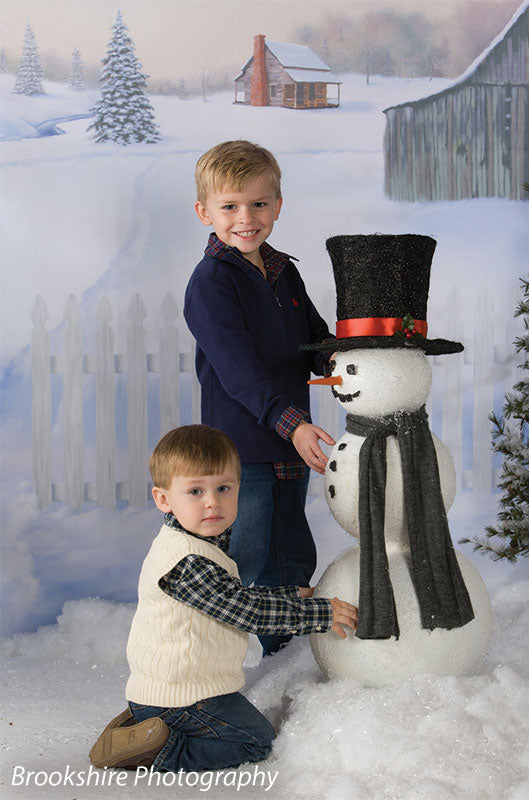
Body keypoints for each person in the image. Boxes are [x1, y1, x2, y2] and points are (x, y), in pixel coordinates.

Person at [89, 425, 358, 772]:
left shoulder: (200, 543)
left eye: (223, 488)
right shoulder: (187, 561)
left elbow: (233, 596)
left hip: (180, 688)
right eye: (196, 491)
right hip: (183, 697)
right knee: (256, 741)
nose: (212, 502)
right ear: (164, 499)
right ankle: (160, 748)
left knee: (244, 724)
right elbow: (247, 611)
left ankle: (144, 723)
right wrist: (319, 613)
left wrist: (292, 594)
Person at [183, 140, 335, 655]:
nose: (246, 218)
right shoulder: (210, 284)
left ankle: (284, 657)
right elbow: (239, 374)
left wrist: (338, 359)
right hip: (241, 451)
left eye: (258, 204)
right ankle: (213, 664)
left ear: (277, 206)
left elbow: (314, 340)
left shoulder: (285, 272)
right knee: (245, 561)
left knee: (291, 556)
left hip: (290, 445)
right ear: (204, 212)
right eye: (229, 206)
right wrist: (293, 424)